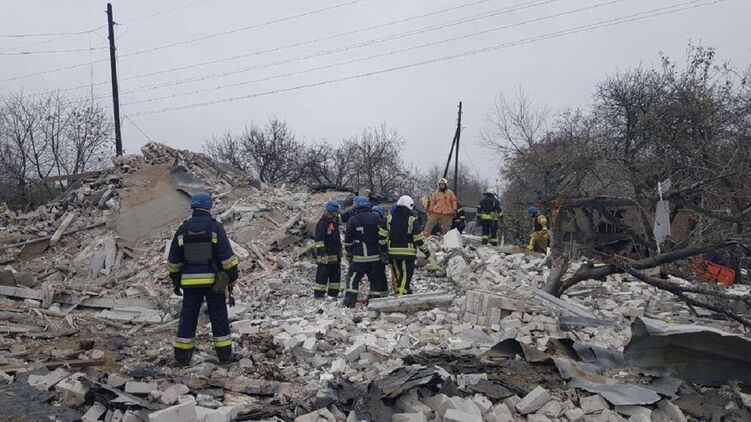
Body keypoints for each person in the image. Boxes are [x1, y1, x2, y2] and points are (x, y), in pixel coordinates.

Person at [167, 192, 239, 365]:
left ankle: (182, 358)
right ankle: (225, 357)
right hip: (214, 283)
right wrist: (232, 276)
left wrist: (176, 282)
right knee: (219, 317)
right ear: (209, 207)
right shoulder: (215, 228)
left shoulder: (183, 229)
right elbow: (227, 258)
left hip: (189, 284)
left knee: (188, 318)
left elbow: (173, 262)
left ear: (193, 207)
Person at [379, 196, 430, 296]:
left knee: (399, 277)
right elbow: (418, 239)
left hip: (392, 253)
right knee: (405, 277)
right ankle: (401, 297)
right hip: (407, 254)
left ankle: (403, 294)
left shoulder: (388, 218)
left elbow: (382, 236)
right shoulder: (412, 220)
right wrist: (426, 251)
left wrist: (383, 251)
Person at [343, 196, 388, 308]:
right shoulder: (377, 218)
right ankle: (375, 302)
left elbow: (348, 241)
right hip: (375, 257)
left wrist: (349, 251)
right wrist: (383, 251)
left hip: (359, 257)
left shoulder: (353, 220)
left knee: (353, 279)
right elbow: (384, 235)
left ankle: (350, 302)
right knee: (376, 280)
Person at [313, 201, 342, 298]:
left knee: (335, 275)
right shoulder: (323, 223)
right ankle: (319, 294)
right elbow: (319, 239)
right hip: (326, 255)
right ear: (332, 211)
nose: (337, 213)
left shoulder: (333, 221)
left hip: (335, 254)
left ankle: (333, 294)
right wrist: (322, 252)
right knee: (322, 274)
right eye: (336, 211)